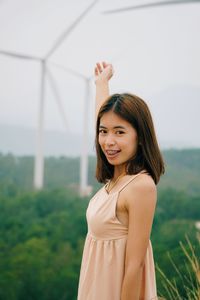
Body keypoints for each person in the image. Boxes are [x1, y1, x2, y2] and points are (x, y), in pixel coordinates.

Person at [77, 61, 165, 300]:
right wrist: (101, 84)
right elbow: (103, 122)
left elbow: (134, 266)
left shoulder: (139, 187)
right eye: (103, 132)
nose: (108, 141)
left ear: (140, 136)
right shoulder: (116, 178)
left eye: (120, 132)